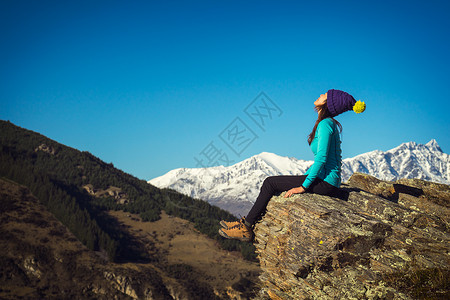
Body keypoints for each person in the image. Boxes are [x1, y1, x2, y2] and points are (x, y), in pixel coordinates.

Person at [218, 89, 366, 242]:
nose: (321, 94)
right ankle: (246, 222)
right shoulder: (327, 124)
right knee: (272, 183)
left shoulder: (325, 124)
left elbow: (321, 159)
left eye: (325, 95)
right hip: (326, 180)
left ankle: (246, 228)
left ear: (328, 103)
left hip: (326, 183)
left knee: (270, 183)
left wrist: (303, 187)